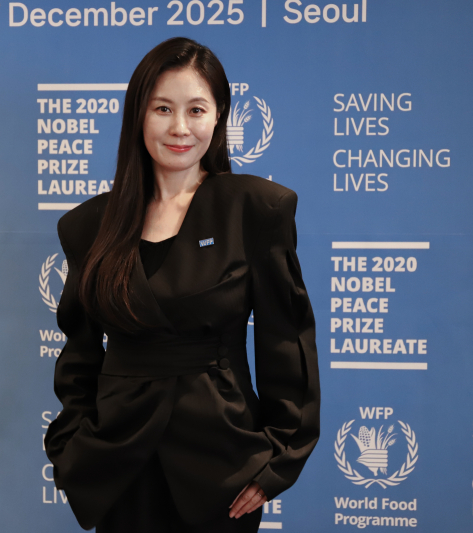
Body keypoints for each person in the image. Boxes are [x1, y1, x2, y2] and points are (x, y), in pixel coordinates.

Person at [44, 36, 320, 532]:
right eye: (162, 109)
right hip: (116, 462)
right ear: (138, 115)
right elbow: (78, 355)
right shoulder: (88, 226)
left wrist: (279, 458)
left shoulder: (256, 209)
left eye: (196, 110)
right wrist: (71, 447)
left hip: (222, 464)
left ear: (218, 117)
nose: (179, 128)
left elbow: (287, 341)